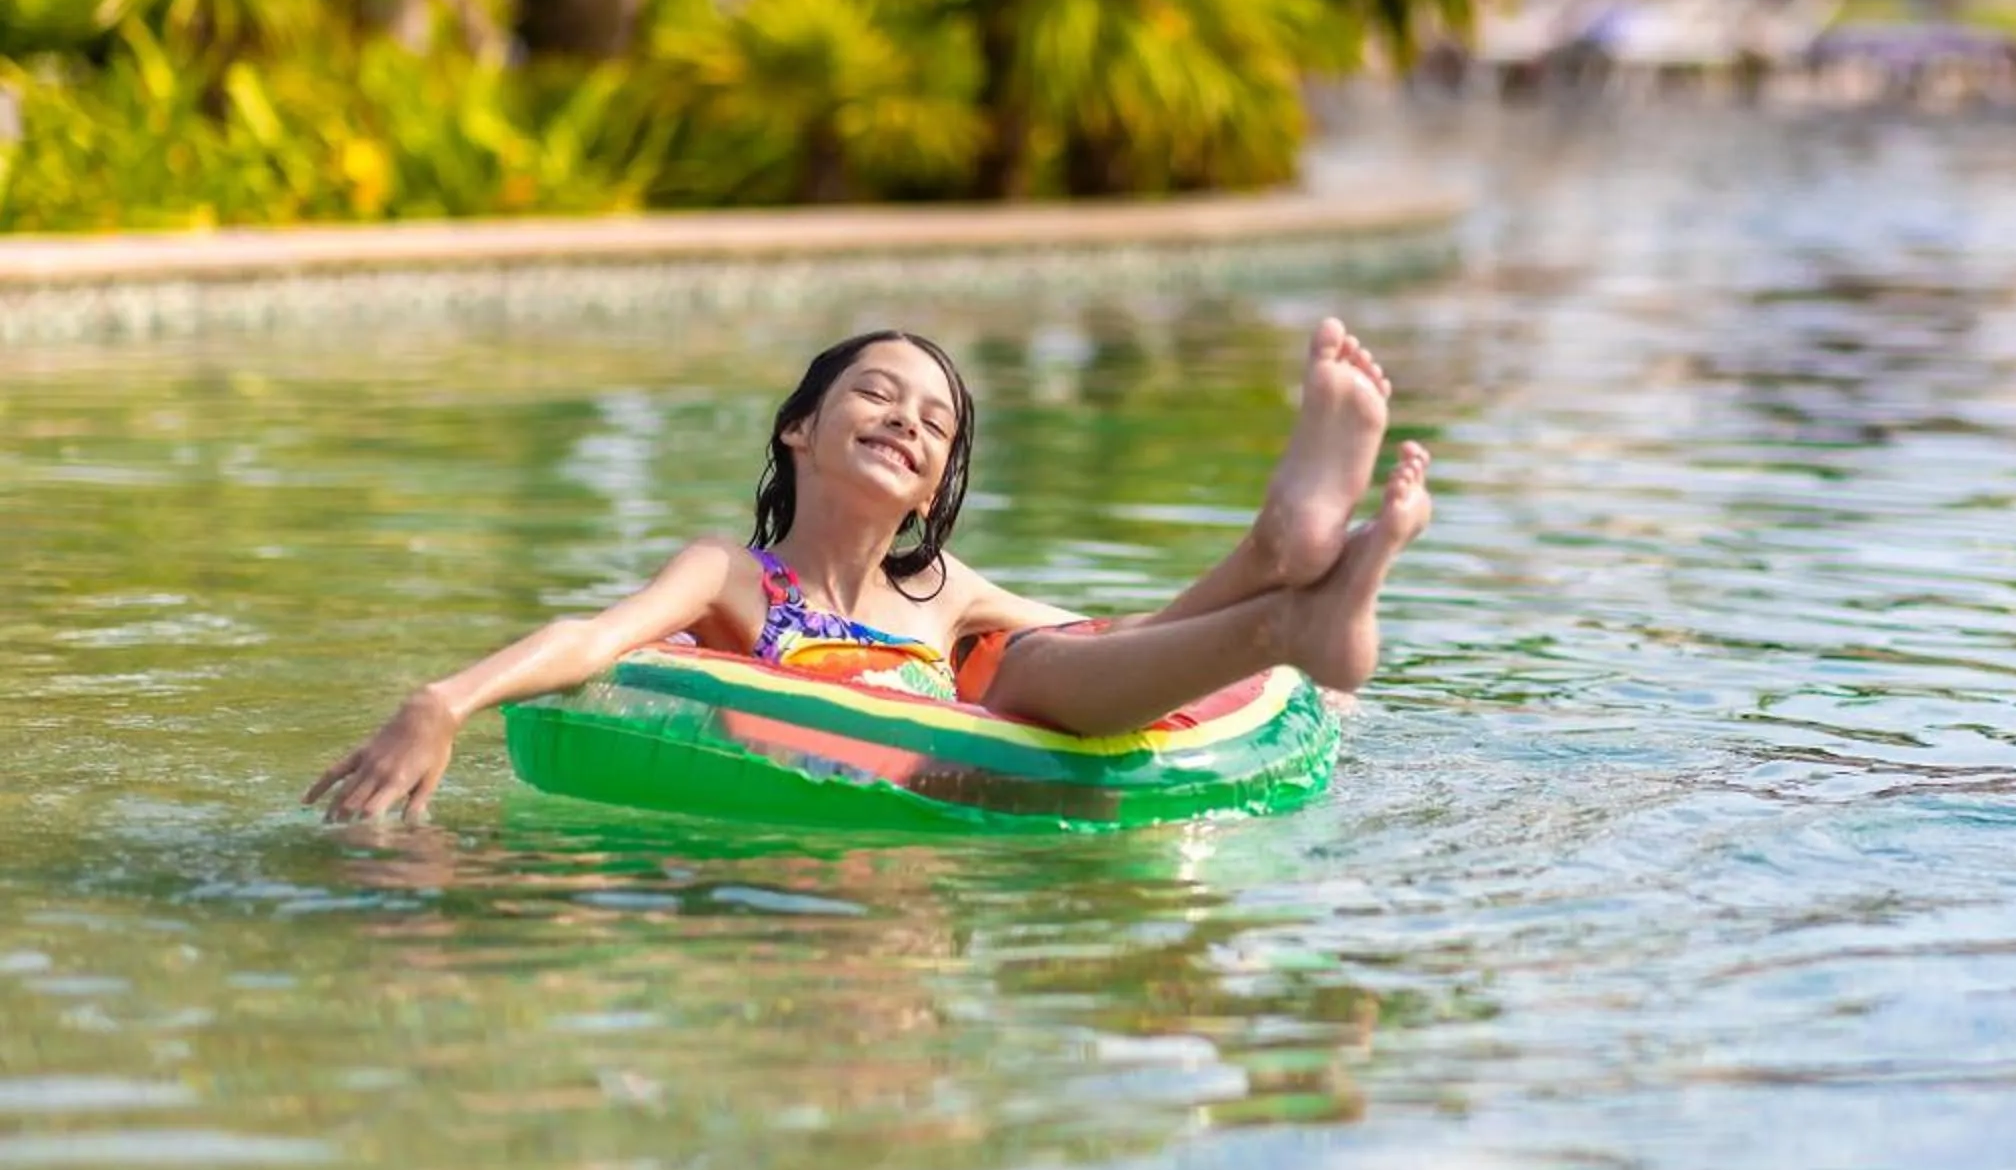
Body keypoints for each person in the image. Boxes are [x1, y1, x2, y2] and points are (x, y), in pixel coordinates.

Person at [308, 319, 1433, 823]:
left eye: (935, 420)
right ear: (801, 426)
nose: (906, 419)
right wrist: (441, 700)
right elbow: (594, 638)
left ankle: (1286, 569)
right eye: (878, 393)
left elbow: (1126, 641)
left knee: (1046, 661)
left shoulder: (948, 593)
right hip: (851, 826)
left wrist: (1247, 588)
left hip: (985, 796)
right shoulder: (732, 575)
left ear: (936, 480)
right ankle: (1293, 600)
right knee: (1039, 673)